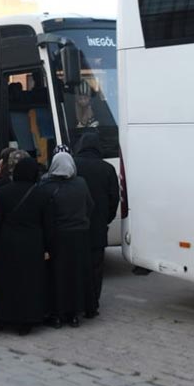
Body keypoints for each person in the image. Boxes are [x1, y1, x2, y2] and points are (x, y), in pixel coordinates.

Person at [0, 157, 53, 334]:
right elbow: (48, 223)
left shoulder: (4, 192)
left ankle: (5, 314)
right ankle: (27, 319)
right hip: (33, 243)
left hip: (7, 242)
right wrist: (47, 248)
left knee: (8, 280)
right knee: (30, 282)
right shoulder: (41, 194)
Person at [39, 152, 94, 328]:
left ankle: (56, 314)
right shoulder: (81, 183)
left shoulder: (45, 185)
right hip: (79, 236)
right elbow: (90, 206)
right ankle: (74, 314)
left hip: (57, 237)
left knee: (56, 275)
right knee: (76, 275)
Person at [74, 133, 120, 317]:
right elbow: (114, 198)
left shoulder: (73, 164)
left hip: (76, 224)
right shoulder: (107, 169)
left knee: (77, 265)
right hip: (98, 225)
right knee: (95, 266)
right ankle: (93, 305)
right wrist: (105, 218)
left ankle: (77, 301)